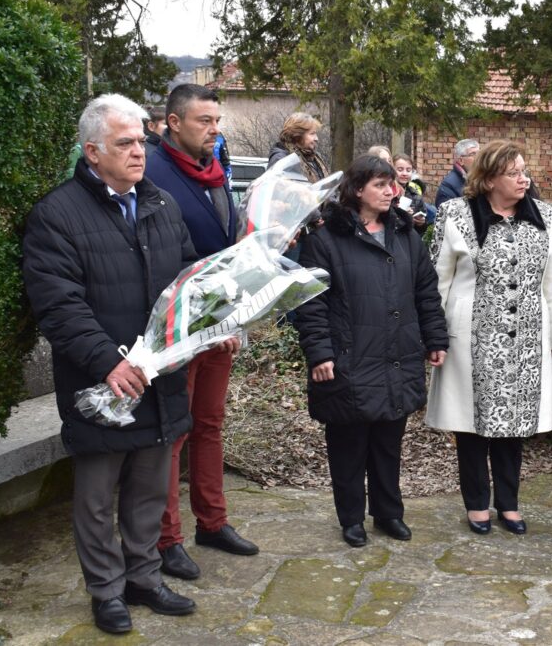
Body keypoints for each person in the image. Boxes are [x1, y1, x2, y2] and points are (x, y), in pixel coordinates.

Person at [23, 94, 198, 634]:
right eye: (125, 143)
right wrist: (106, 362)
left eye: (142, 140)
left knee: (149, 489)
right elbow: (57, 303)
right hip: (102, 384)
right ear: (92, 151)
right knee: (98, 497)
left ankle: (143, 577)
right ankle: (106, 591)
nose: (139, 151)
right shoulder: (57, 214)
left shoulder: (161, 205)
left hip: (159, 377)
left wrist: (214, 324)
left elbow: (189, 277)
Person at [294, 155, 449, 548]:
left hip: (397, 354)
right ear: (357, 188)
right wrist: (320, 353)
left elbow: (425, 292)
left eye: (392, 184)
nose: (390, 190)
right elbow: (310, 303)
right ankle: (351, 518)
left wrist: (435, 339)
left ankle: (388, 513)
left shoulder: (405, 235)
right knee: (348, 446)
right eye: (380, 184)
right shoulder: (326, 238)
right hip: (349, 357)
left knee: (387, 444)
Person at [145, 84, 257, 581]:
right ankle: (165, 539)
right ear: (172, 122)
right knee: (174, 431)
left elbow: (221, 245)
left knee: (209, 424)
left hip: (219, 321)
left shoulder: (215, 170)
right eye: (203, 121)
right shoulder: (152, 171)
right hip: (176, 324)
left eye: (217, 120)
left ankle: (212, 523)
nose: (215, 129)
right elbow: (161, 252)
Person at [426, 140, 552, 536]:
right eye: (513, 172)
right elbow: (437, 281)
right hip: (470, 337)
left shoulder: (544, 215)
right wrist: (434, 336)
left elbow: (550, 281)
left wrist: (549, 337)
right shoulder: (455, 214)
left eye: (524, 171)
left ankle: (510, 503)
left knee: (515, 426)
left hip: (526, 338)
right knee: (470, 424)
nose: (523, 179)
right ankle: (477, 503)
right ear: (488, 179)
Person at [268, 112, 329, 182]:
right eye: (312, 134)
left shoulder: (313, 158)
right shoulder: (282, 159)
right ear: (297, 136)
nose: (316, 138)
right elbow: (280, 189)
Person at [392, 153, 433, 232]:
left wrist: (421, 223)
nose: (404, 173)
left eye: (408, 170)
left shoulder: (415, 195)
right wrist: (404, 216)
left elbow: (422, 230)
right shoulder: (388, 193)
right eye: (400, 170)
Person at [435, 138, 479, 206]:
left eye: (479, 153)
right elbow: (446, 214)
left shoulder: (481, 179)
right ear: (461, 160)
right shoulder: (448, 186)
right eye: (473, 154)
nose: (478, 157)